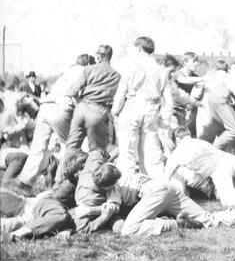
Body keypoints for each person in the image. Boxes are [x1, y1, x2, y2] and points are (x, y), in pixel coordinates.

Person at [18, 54, 92, 189]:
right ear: (88, 64)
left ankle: (23, 183)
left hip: (45, 107)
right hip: (61, 106)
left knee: (37, 150)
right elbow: (78, 97)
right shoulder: (85, 71)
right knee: (72, 147)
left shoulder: (68, 72)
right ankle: (61, 183)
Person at [57, 45, 121, 183]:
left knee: (71, 147)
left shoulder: (88, 69)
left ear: (98, 56)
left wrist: (83, 102)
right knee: (96, 153)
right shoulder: (116, 75)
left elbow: (71, 91)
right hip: (99, 111)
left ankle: (59, 182)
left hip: (81, 108)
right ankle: (90, 185)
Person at [112, 37, 173, 180]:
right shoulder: (162, 70)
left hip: (132, 107)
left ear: (139, 49)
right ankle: (157, 188)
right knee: (152, 152)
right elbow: (168, 101)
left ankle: (126, 188)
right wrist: (164, 120)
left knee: (127, 151)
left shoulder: (131, 67)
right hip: (151, 109)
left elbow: (121, 92)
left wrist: (115, 110)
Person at [164, 127, 235, 208]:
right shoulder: (200, 142)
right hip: (232, 160)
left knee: (228, 201)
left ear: (178, 140)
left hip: (220, 170)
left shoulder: (177, 152)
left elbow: (166, 177)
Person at [173, 52, 203, 136]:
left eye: (197, 61)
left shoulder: (195, 77)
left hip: (186, 112)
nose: (197, 64)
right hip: (173, 111)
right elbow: (183, 80)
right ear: (185, 62)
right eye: (194, 61)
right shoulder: (178, 74)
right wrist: (202, 78)